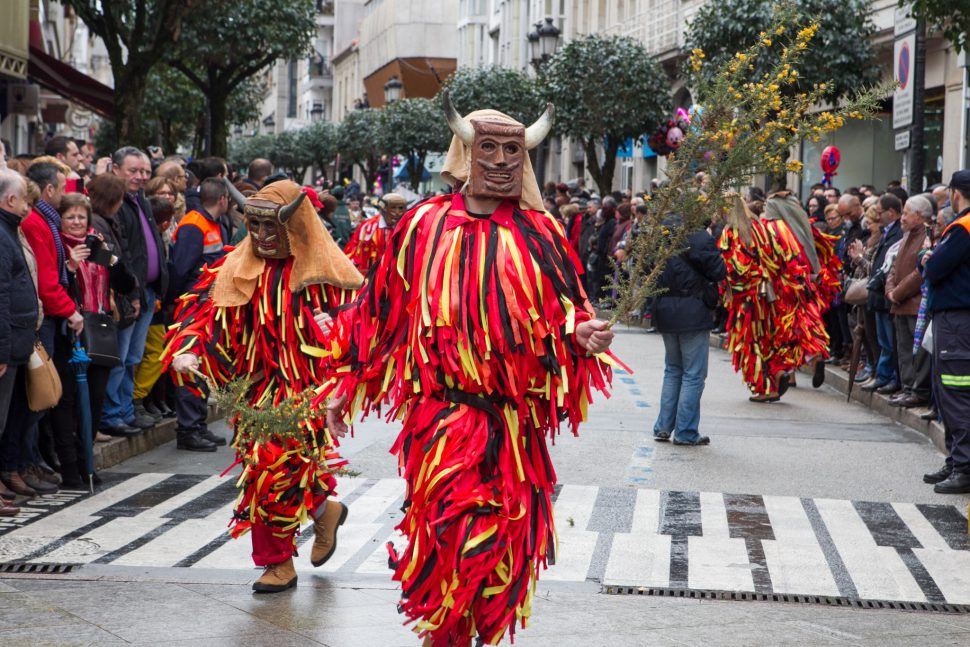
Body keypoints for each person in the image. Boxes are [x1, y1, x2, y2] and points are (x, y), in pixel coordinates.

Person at [323, 95, 618, 646]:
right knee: (452, 535)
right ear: (465, 152)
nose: (504, 161)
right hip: (442, 419)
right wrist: (345, 383)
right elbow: (379, 314)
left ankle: (482, 633)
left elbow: (566, 311)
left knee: (507, 547)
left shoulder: (541, 233)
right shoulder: (420, 226)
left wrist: (580, 336)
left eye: (514, 150)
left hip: (513, 429)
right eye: (490, 148)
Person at [165, 181, 363, 591]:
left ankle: (278, 563)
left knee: (271, 471)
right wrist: (187, 349)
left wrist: (334, 331)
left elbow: (360, 323)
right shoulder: (233, 266)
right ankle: (325, 510)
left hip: (307, 388)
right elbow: (200, 314)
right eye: (252, 224)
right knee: (280, 469)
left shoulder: (323, 269)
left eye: (269, 225)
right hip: (255, 391)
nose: (260, 235)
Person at [50, 193, 132, 486]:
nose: (75, 222)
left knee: (95, 399)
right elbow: (54, 287)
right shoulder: (58, 246)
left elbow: (126, 284)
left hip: (99, 329)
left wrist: (111, 259)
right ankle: (70, 467)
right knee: (67, 401)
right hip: (68, 331)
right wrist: (71, 267)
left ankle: (88, 463)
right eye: (70, 217)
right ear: (61, 219)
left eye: (80, 217)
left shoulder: (96, 245)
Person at [101, 147, 168, 435]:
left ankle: (126, 410)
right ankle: (114, 414)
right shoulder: (113, 204)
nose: (141, 177)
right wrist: (132, 292)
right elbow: (120, 254)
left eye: (145, 172)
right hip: (129, 293)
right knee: (120, 357)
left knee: (133, 357)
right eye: (134, 171)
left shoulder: (139, 198)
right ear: (115, 169)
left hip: (148, 290)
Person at [167, 178, 232, 451]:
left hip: (209, 306)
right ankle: (188, 430)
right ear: (223, 200)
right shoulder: (195, 225)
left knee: (203, 367)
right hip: (192, 306)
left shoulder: (212, 224)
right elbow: (182, 269)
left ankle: (198, 425)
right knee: (189, 367)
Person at [921, 171, 970, 493]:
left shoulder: (962, 228)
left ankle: (963, 467)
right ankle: (955, 461)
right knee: (948, 391)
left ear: (955, 193)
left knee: (955, 393)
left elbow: (936, 268)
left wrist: (928, 258)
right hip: (956, 319)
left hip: (957, 320)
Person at [0, 168, 38, 515]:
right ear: (10, 200)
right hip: (6, 345)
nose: (28, 205)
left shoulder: (9, 230)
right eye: (25, 197)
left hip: (15, 341)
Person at [884, 195, 933, 409]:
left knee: (918, 352)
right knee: (903, 348)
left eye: (906, 213)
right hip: (901, 303)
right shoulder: (906, 236)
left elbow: (919, 272)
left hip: (914, 303)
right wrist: (891, 291)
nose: (902, 217)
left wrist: (898, 292)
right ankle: (907, 388)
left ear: (919, 216)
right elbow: (894, 268)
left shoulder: (927, 237)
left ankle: (918, 390)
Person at [861, 193, 904, 394]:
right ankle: (882, 375)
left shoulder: (897, 233)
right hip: (878, 295)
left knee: (889, 342)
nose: (878, 217)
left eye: (880, 213)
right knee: (882, 340)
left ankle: (889, 377)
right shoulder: (888, 231)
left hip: (885, 295)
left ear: (891, 212)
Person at [342, 192, 407, 274]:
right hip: (370, 276)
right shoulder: (368, 227)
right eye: (393, 208)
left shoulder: (407, 228)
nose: (397, 212)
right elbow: (355, 250)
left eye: (401, 208)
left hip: (395, 276)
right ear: (383, 209)